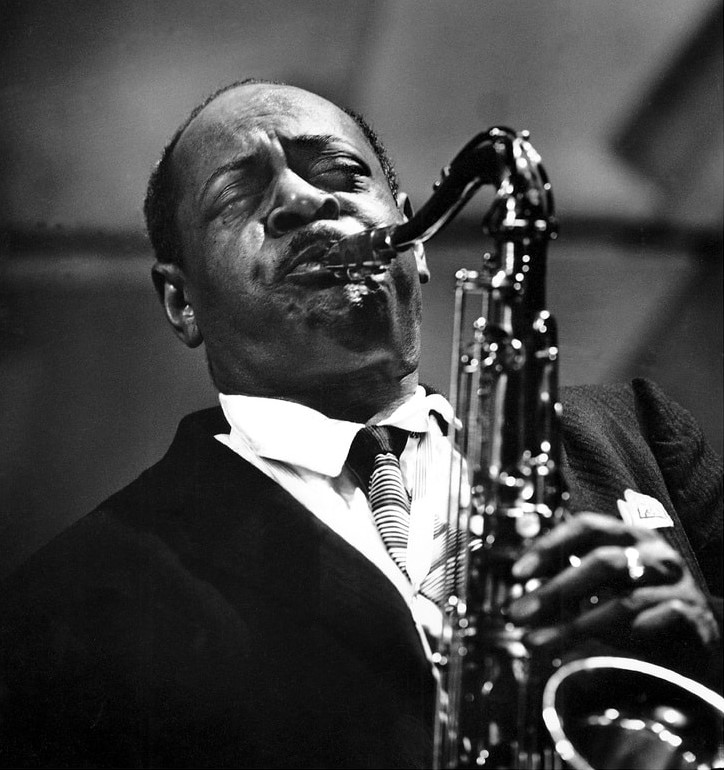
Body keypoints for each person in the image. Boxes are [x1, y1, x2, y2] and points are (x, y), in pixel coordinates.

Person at [0, 80, 721, 769]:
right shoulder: (67, 603)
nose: (305, 200)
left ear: (416, 241)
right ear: (180, 302)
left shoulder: (643, 435)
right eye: (240, 196)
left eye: (342, 175)